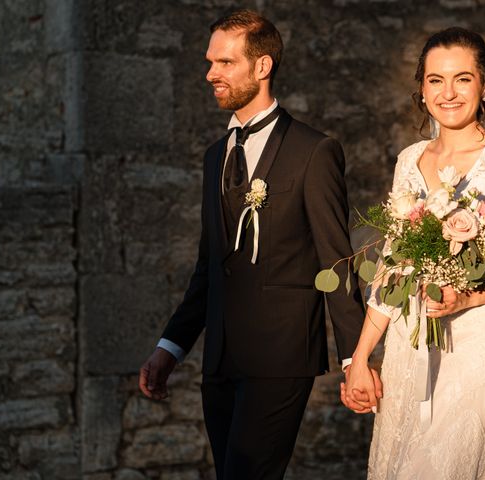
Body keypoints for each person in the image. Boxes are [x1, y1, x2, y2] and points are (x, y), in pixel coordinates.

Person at [138, 9, 368, 480]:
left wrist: (355, 358)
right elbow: (209, 265)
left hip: (282, 357)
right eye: (210, 62)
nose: (210, 74)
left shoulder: (313, 151)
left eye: (224, 63)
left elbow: (337, 259)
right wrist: (171, 347)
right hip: (221, 359)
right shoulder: (213, 158)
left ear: (261, 67)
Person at [342, 26, 485, 479]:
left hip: (484, 349)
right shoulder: (409, 159)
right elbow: (392, 269)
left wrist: (471, 297)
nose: (448, 92)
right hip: (410, 347)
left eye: (463, 78)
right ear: (421, 88)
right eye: (436, 79)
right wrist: (361, 359)